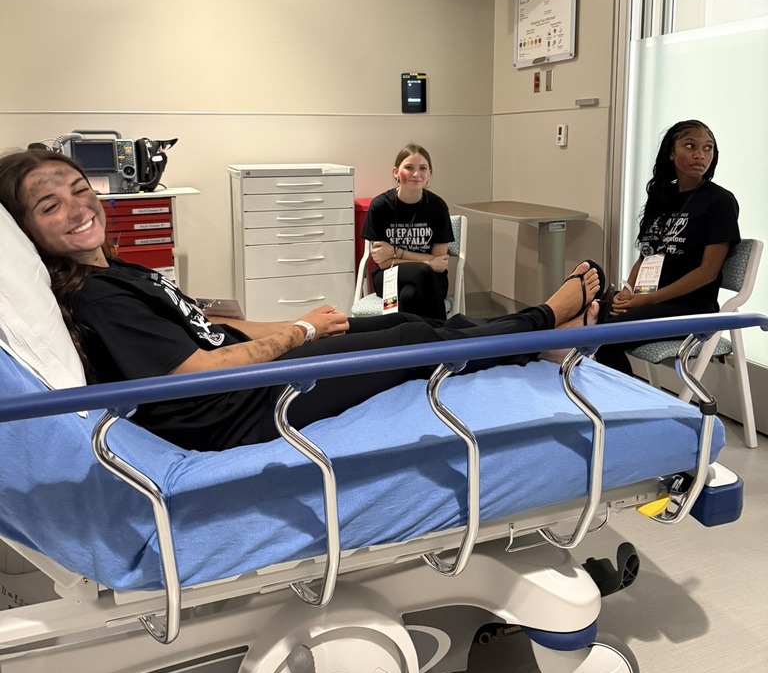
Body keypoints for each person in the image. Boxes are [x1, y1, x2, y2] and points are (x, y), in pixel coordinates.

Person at [0, 149, 607, 452]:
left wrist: (302, 326)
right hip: (237, 409)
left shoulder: (116, 270)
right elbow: (198, 370)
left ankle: (534, 343)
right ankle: (544, 321)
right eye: (50, 206)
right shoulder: (99, 298)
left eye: (79, 189)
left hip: (246, 380)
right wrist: (300, 334)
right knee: (413, 338)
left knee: (395, 323)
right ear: (25, 230)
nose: (77, 208)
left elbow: (211, 328)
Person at [595, 119, 739, 376]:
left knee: (605, 335)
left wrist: (646, 300)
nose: (700, 155)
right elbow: (646, 256)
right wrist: (628, 291)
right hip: (649, 299)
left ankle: (624, 400)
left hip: (692, 308)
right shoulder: (662, 197)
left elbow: (708, 272)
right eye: (690, 146)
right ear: (671, 152)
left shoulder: (720, 201)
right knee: (589, 314)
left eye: (707, 148)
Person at [361, 144, 454, 320]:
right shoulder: (380, 206)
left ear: (430, 174)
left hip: (432, 278)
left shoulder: (437, 207)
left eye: (423, 168)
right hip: (389, 275)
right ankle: (442, 332)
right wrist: (427, 262)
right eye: (409, 167)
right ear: (396, 172)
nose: (416, 174)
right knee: (422, 271)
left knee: (408, 296)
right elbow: (383, 262)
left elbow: (440, 261)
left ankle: (406, 336)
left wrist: (395, 252)